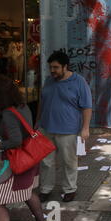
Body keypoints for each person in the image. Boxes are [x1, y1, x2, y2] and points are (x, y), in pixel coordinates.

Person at [0, 75, 49, 221]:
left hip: (17, 163)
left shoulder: (8, 113)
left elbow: (16, 140)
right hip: (31, 160)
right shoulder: (22, 106)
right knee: (28, 192)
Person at [36, 51, 92, 203]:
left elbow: (87, 107)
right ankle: (45, 189)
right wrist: (37, 123)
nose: (52, 71)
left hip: (69, 131)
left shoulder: (79, 81)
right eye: (51, 67)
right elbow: (42, 102)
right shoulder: (48, 80)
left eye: (56, 67)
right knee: (46, 162)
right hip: (46, 129)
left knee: (69, 161)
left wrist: (85, 128)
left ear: (65, 66)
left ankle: (69, 189)